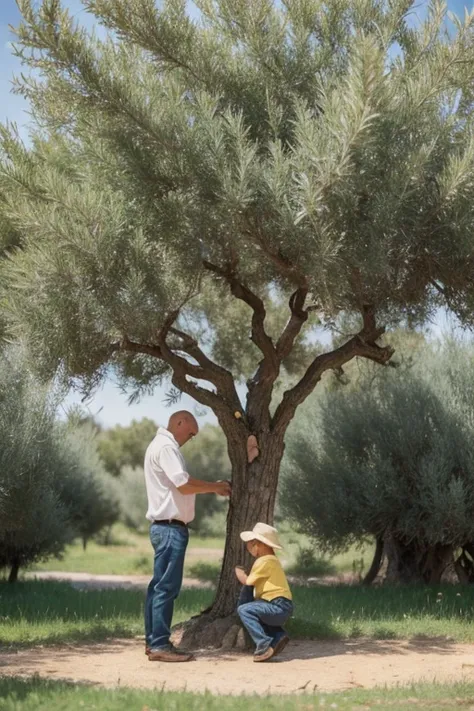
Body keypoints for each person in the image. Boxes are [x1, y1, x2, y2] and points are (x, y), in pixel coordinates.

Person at [144, 410, 231, 662]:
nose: (191, 437)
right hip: (170, 528)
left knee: (158, 587)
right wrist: (215, 487)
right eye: (191, 431)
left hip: (163, 527)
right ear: (179, 422)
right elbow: (182, 483)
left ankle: (154, 642)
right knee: (166, 588)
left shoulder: (157, 445)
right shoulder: (166, 447)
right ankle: (160, 645)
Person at [235, 522, 293, 662]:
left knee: (244, 610)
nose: (250, 546)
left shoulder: (264, 561)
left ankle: (263, 644)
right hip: (283, 606)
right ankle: (278, 636)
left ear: (261, 544)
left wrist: (238, 570)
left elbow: (247, 582)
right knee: (258, 612)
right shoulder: (272, 560)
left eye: (252, 542)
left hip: (277, 605)